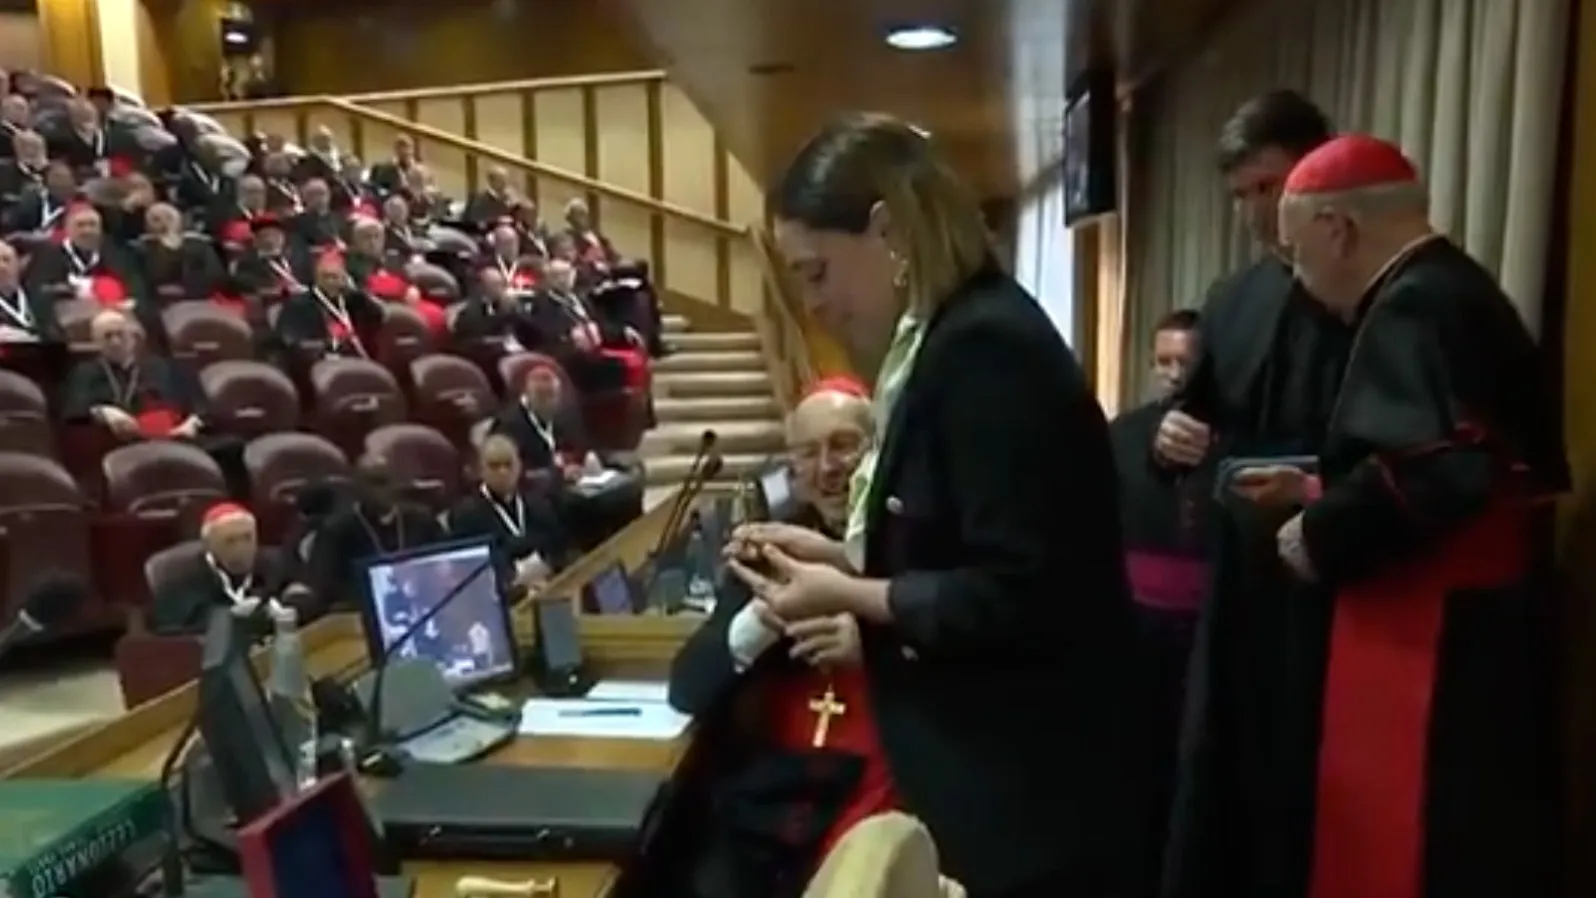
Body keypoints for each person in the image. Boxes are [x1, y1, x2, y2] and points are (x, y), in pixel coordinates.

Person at [724, 112, 1151, 898]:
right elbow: (953, 541)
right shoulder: (941, 341)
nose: (812, 303)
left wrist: (850, 593)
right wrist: (843, 557)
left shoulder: (987, 350)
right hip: (1003, 775)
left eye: (816, 272)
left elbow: (1023, 590)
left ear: (888, 232)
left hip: (1036, 790)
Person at [1225, 134, 1563, 898]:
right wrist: (1318, 487)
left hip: (1431, 631)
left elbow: (1438, 472)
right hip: (1484, 617)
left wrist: (1314, 532)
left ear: (1337, 229)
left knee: (1404, 849)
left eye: (1297, 252)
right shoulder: (1458, 289)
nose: (1299, 277)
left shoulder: (1413, 304)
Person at [1158, 92, 1347, 898]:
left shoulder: (1373, 292)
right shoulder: (1232, 298)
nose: (1254, 212)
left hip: (1337, 584)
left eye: (1269, 188)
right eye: (1241, 195)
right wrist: (1172, 441)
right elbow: (1192, 421)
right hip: (1239, 579)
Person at [668, 376, 883, 898]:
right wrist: (763, 618)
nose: (827, 467)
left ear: (878, 452)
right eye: (808, 453)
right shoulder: (771, 552)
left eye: (844, 445)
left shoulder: (915, 541)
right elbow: (688, 687)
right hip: (782, 789)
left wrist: (872, 645)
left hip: (885, 777)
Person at [1107, 308, 1210, 846]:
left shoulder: (1235, 433)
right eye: (1162, 362)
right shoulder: (1123, 434)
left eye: (1184, 363)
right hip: (1136, 624)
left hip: (1208, 627)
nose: (1171, 374)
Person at [306, 453, 444, 615]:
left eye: (389, 481)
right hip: (360, 611)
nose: (385, 489)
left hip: (422, 605)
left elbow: (441, 566)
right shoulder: (337, 529)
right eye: (376, 482)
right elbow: (325, 584)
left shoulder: (421, 520)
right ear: (358, 487)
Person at [147, 503, 310, 639]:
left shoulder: (275, 562)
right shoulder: (180, 578)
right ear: (209, 545)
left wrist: (291, 606)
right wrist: (232, 619)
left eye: (247, 538)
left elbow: (303, 594)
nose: (241, 549)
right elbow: (172, 630)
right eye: (230, 541)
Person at [447, 434, 571, 597]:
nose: (503, 472)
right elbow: (471, 571)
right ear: (481, 470)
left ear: (519, 466)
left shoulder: (538, 505)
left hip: (547, 590)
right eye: (494, 466)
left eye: (508, 465)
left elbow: (558, 550)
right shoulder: (466, 515)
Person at [60, 308, 206, 442]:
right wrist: (103, 412)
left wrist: (191, 424)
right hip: (113, 445)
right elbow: (75, 414)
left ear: (133, 337)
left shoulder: (163, 367)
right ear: (97, 342)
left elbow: (199, 409)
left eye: (120, 334)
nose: (115, 342)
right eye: (107, 336)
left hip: (173, 441)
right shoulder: (85, 372)